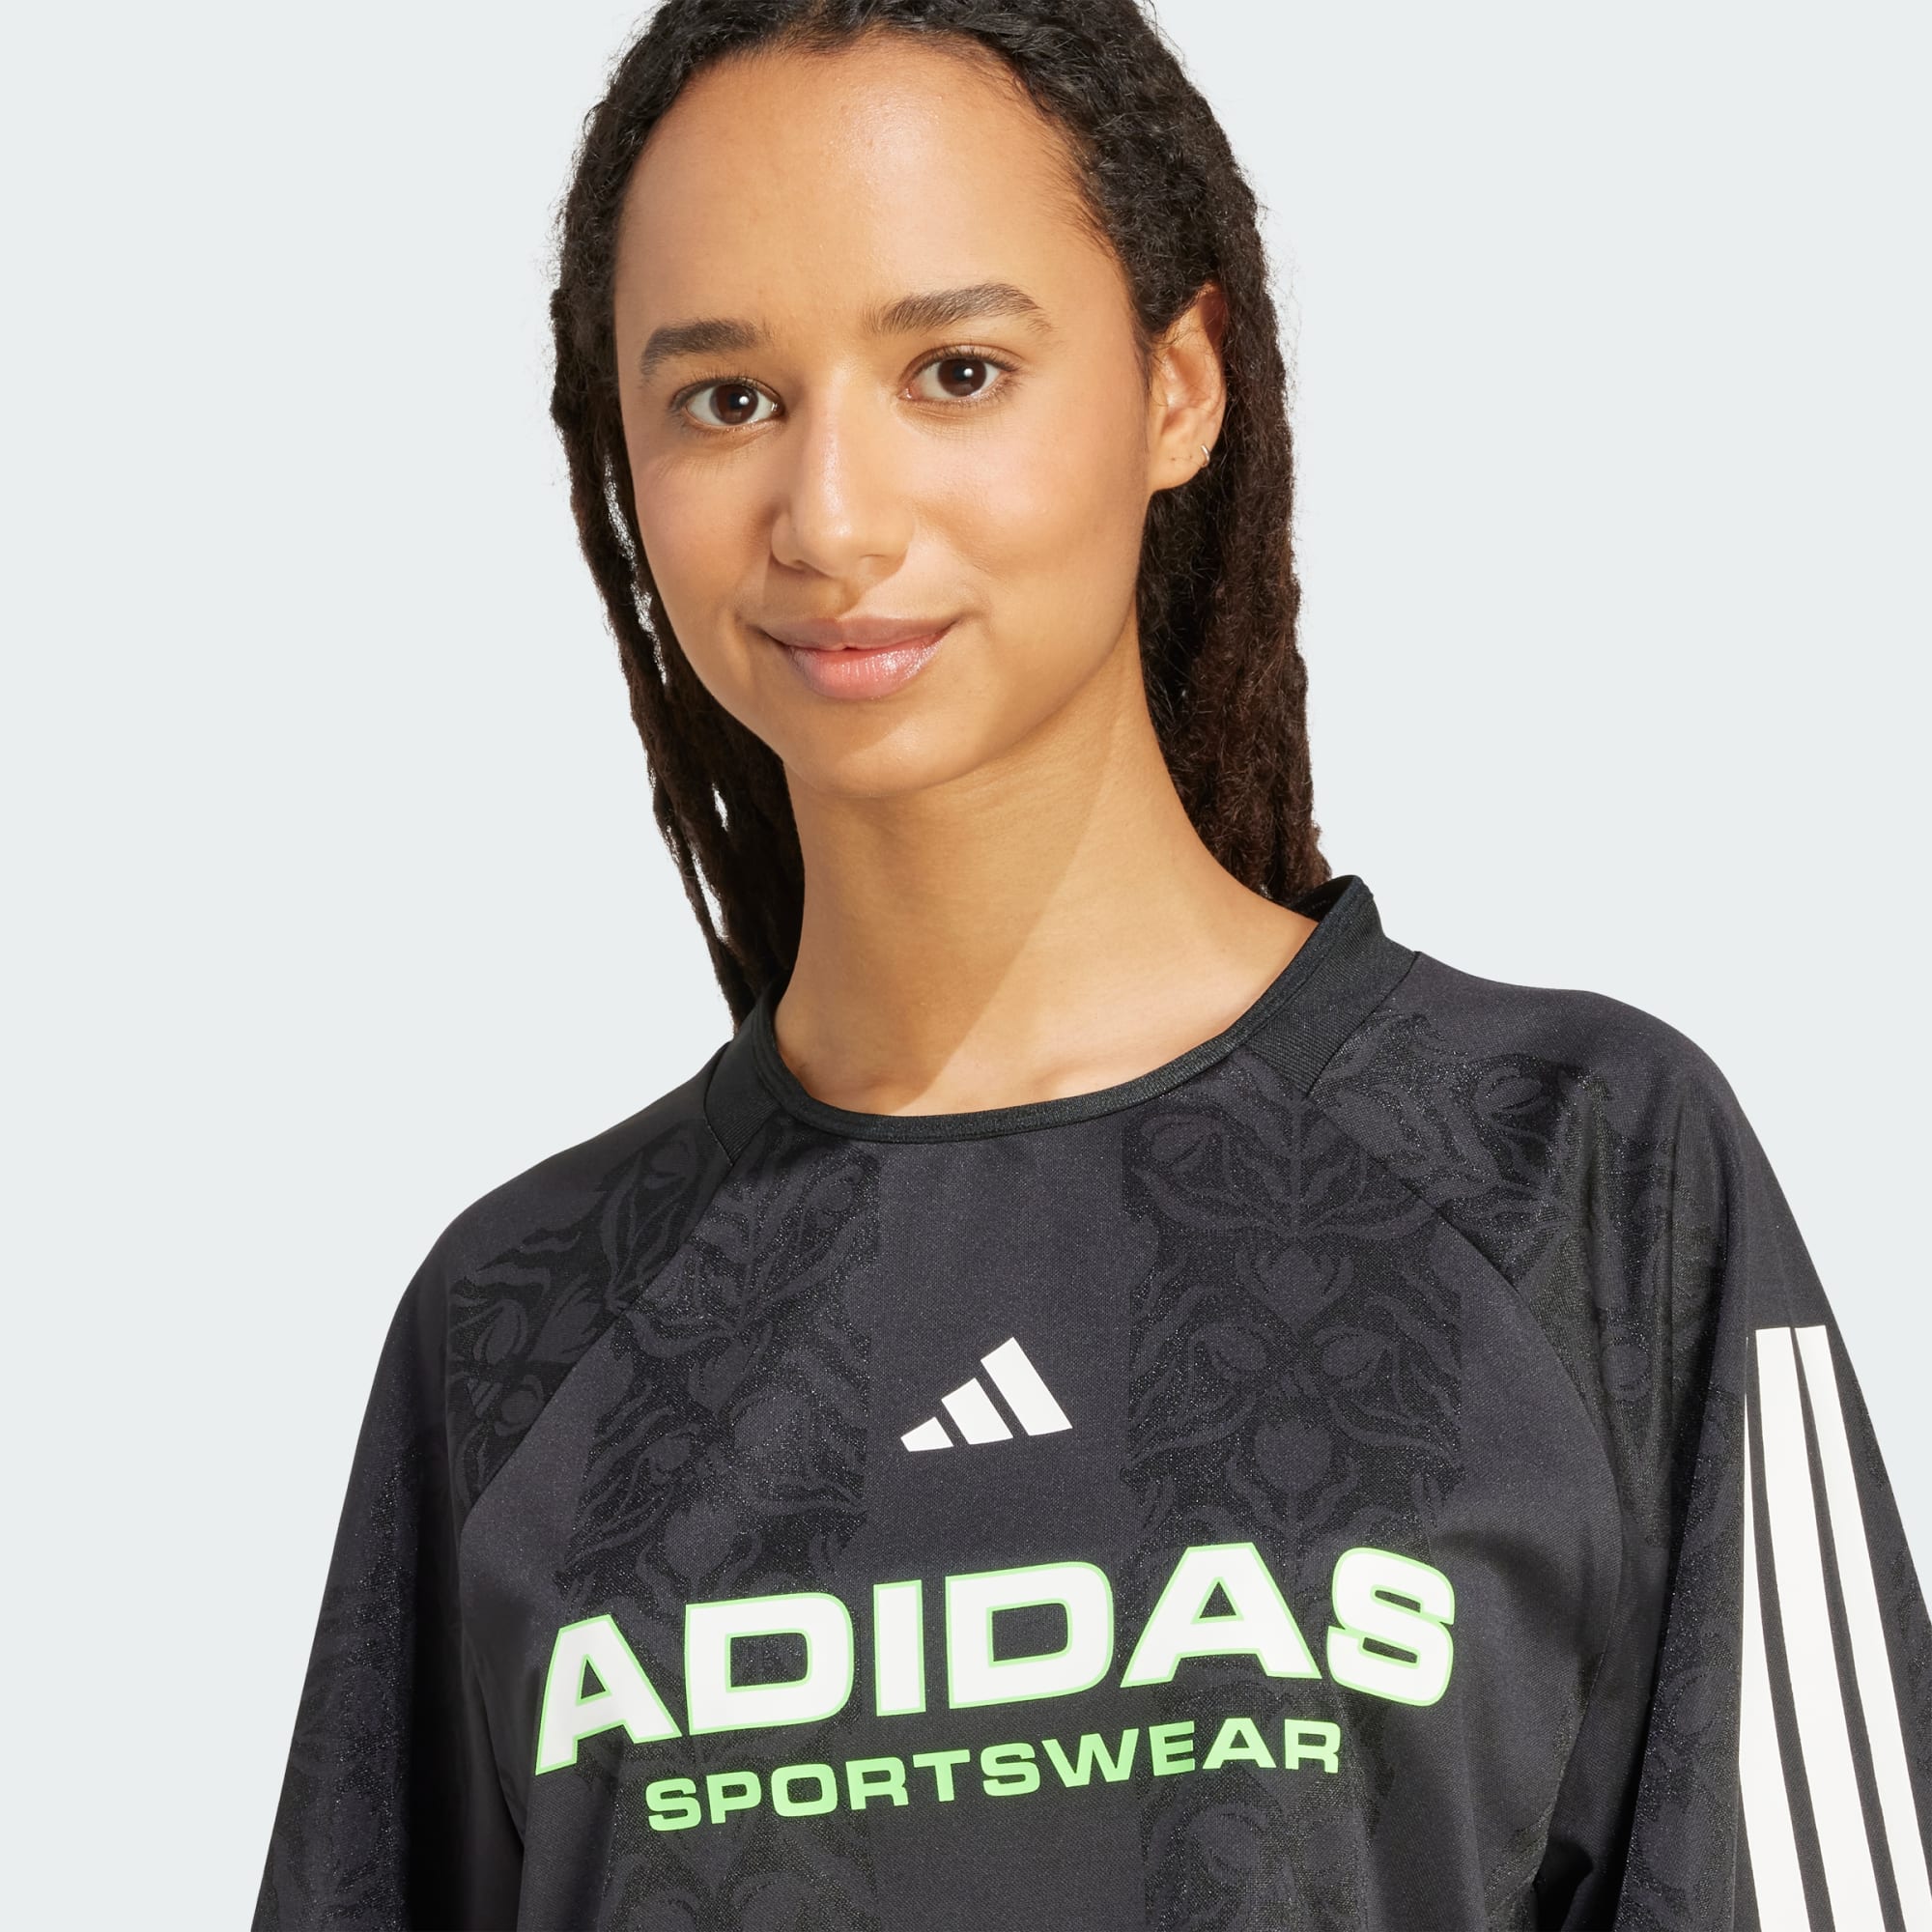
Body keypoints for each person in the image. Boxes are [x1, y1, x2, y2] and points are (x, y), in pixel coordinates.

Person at [252, 2, 1932, 1926]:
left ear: (1177, 387)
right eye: (726, 399)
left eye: (955, 371)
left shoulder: (1577, 1179)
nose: (831, 517)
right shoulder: (520, 1327)